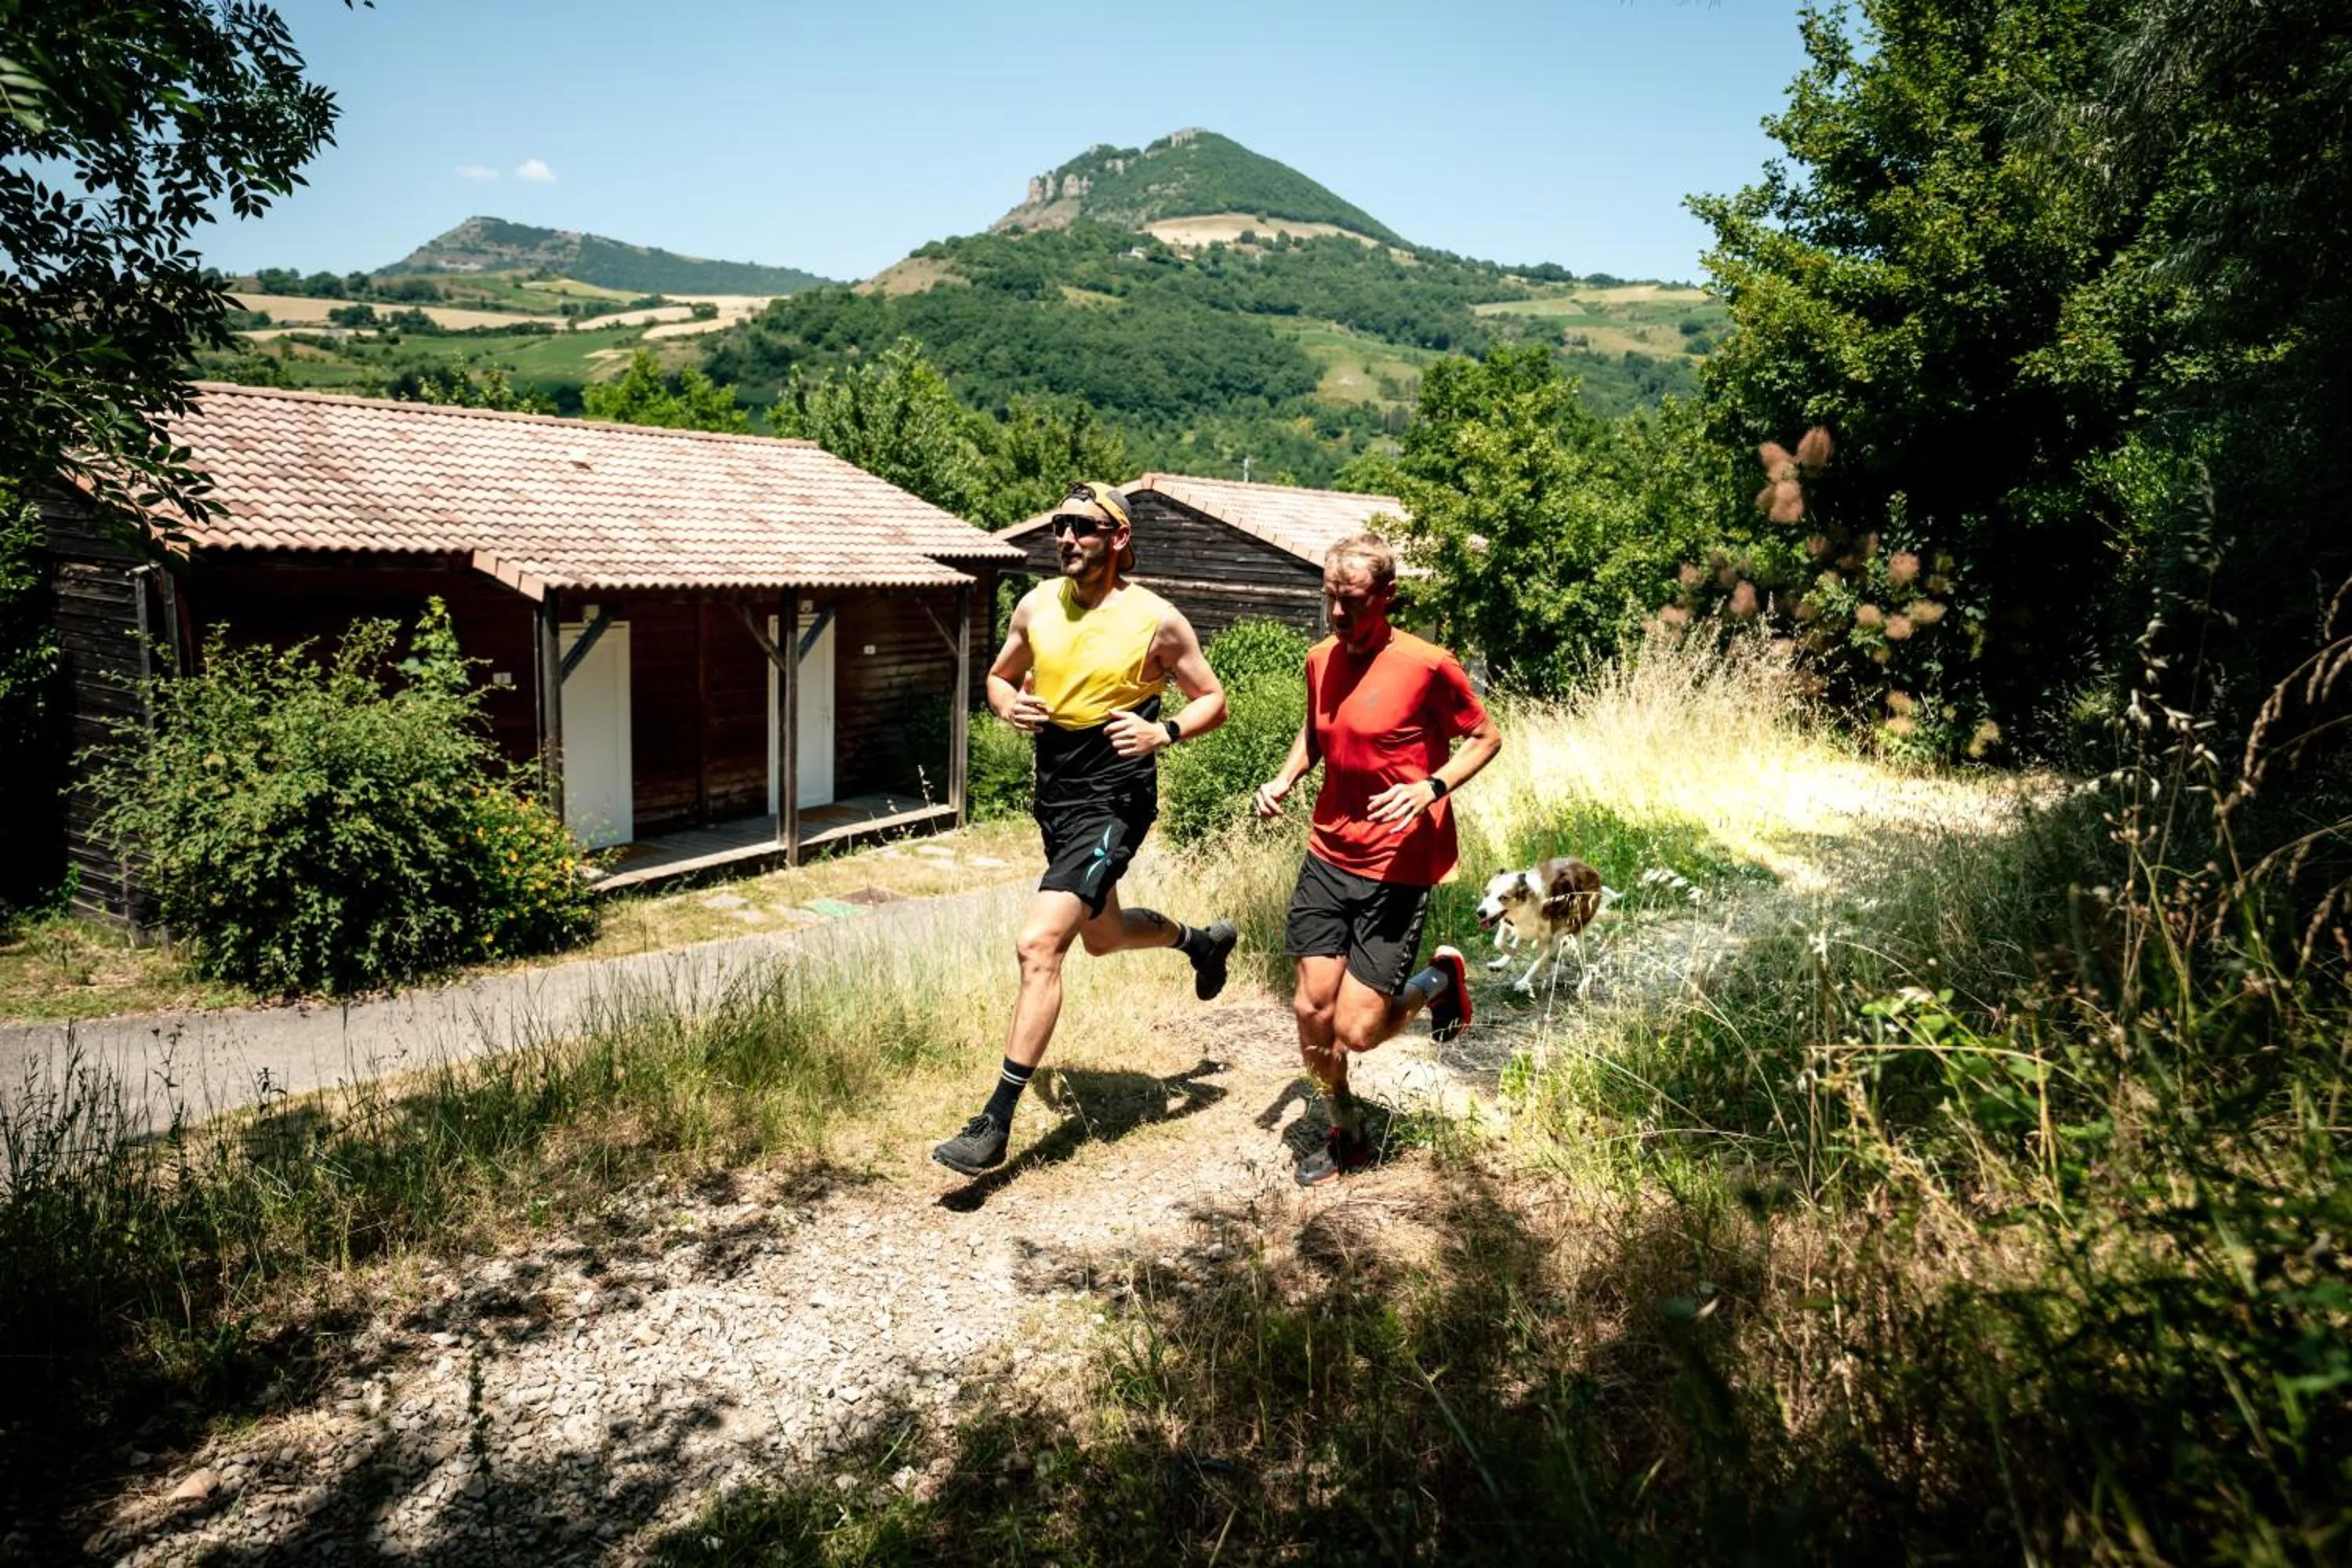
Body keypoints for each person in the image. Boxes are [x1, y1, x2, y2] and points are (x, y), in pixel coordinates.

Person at [932, 481, 1237, 1176]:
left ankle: (993, 1125)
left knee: (1040, 944)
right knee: (1104, 936)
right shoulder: (1037, 604)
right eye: (1060, 526)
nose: (1066, 538)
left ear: (1118, 538)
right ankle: (1202, 942)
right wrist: (1008, 705)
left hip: (1116, 795)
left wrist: (1163, 731)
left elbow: (1213, 699)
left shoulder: (1157, 620)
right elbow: (1000, 676)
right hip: (1057, 791)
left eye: (1084, 527)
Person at [1253, 532, 1503, 1185]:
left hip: (1398, 864)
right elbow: (1316, 731)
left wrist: (1432, 786)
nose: (1339, 614)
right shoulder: (1320, 659)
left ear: (1387, 596)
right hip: (1328, 852)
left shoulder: (1427, 665)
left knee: (1358, 1031)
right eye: (1331, 598)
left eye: (1354, 601)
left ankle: (1439, 980)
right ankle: (1349, 1133)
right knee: (1312, 1010)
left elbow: (1486, 736)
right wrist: (1284, 779)